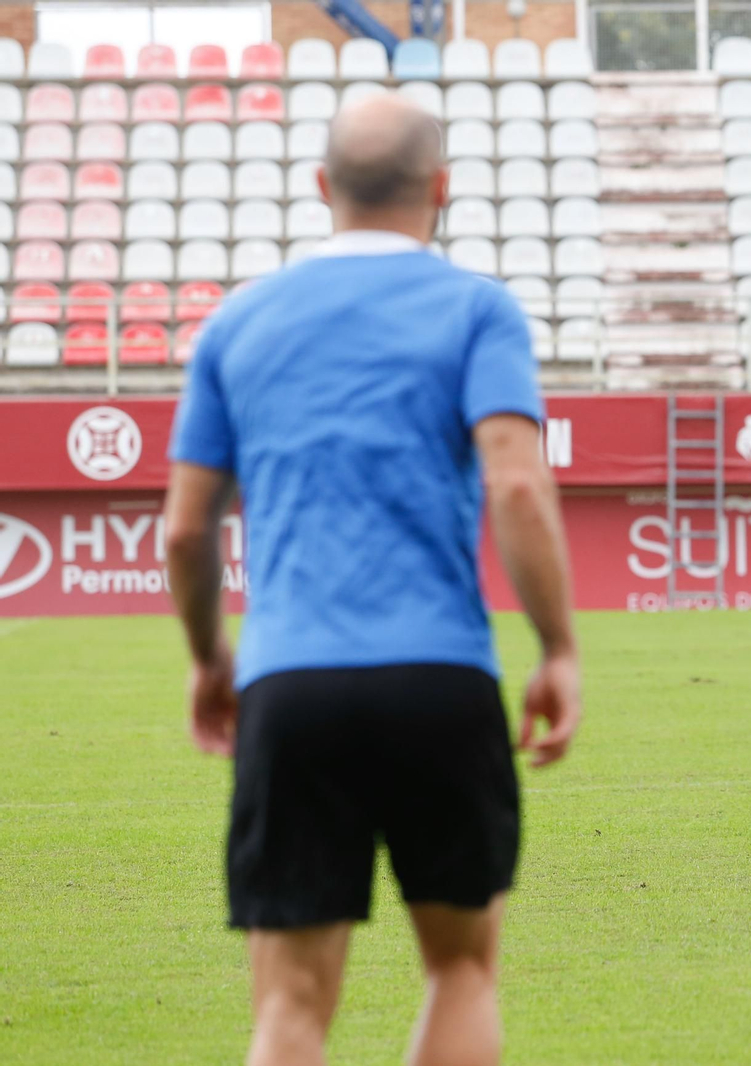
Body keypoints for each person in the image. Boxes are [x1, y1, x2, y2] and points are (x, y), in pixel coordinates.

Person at [163, 93, 581, 1066]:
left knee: (290, 1009)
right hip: (440, 677)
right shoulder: (478, 308)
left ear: (321, 189)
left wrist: (206, 657)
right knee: (462, 973)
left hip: (289, 682)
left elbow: (186, 530)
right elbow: (517, 484)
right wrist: (558, 647)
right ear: (440, 190)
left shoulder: (239, 321)